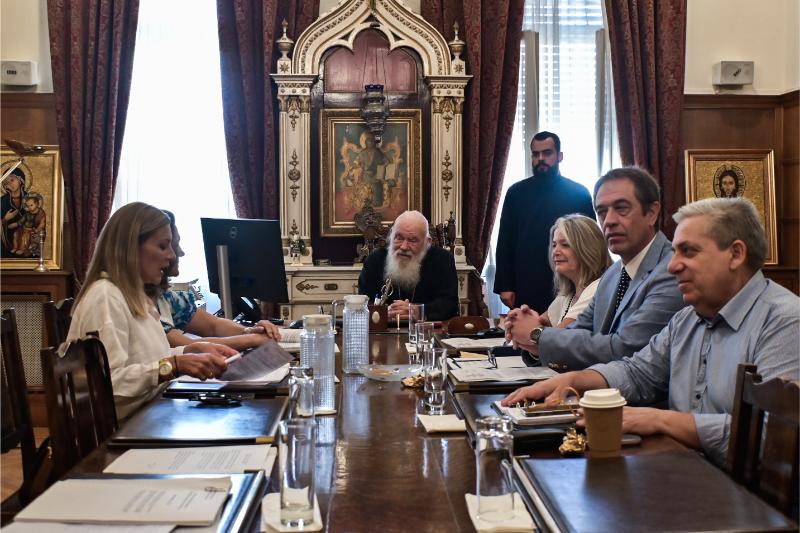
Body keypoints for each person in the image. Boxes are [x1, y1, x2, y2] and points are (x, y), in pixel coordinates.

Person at [503, 197, 800, 466]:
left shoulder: (785, 322)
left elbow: (771, 436)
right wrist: (575, 380)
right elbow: (639, 372)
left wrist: (660, 420)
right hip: (681, 471)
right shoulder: (687, 319)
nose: (672, 266)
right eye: (675, 252)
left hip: (744, 498)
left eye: (688, 251)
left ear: (735, 254)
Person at [67, 202, 238, 419]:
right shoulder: (105, 297)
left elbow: (148, 360)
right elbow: (107, 382)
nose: (172, 256)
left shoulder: (134, 296)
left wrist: (190, 352)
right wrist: (174, 365)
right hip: (122, 429)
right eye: (163, 246)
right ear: (131, 248)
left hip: (147, 415)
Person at [504, 166, 684, 371]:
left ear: (651, 213)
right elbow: (574, 334)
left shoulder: (672, 270)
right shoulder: (613, 275)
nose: (609, 221)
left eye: (622, 208)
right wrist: (530, 339)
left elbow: (625, 349)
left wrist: (536, 334)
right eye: (602, 212)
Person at [494, 131, 595, 314]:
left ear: (560, 156)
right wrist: (505, 285)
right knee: (528, 329)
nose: (540, 158)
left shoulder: (579, 193)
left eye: (547, 153)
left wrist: (589, 284)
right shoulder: (516, 193)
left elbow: (591, 243)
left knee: (566, 329)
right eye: (535, 154)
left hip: (570, 281)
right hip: (527, 280)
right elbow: (505, 241)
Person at [155, 210, 282, 350]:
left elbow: (213, 326)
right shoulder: (143, 303)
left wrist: (249, 331)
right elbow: (186, 346)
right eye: (172, 245)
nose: (179, 253)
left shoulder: (166, 297)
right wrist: (251, 340)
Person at [358, 210, 459, 320]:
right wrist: (383, 312)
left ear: (427, 242)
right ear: (391, 236)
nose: (404, 247)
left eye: (413, 240)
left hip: (426, 328)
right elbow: (363, 301)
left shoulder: (442, 260)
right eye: (399, 238)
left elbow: (449, 304)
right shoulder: (375, 260)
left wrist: (419, 311)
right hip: (384, 327)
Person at [541, 214, 612, 329]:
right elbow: (539, 323)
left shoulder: (598, 288)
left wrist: (527, 327)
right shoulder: (568, 295)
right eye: (554, 245)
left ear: (588, 249)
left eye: (565, 245)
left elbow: (558, 336)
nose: (555, 252)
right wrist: (520, 317)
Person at [1, 168, 26, 256]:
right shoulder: (3, 201)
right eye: (6, 182)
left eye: (12, 180)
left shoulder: (29, 198)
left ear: (20, 180)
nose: (10, 184)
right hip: (6, 243)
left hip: (27, 239)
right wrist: (5, 219)